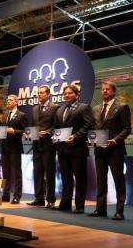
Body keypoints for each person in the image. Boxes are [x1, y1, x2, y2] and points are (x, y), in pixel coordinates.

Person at [89, 81, 131, 220]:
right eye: (102, 89)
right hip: (99, 150)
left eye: (107, 89)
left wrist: (115, 140)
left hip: (115, 150)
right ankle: (100, 209)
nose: (104, 91)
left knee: (118, 180)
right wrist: (90, 140)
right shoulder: (95, 108)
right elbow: (94, 129)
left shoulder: (122, 106)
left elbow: (127, 128)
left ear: (114, 91)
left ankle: (119, 211)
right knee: (100, 180)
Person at [53, 85, 94, 213]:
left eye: (70, 93)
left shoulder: (84, 107)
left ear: (77, 95)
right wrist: (55, 137)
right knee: (66, 178)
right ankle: (65, 204)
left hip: (78, 149)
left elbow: (89, 125)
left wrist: (75, 136)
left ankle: (80, 206)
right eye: (65, 93)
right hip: (62, 149)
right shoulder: (60, 110)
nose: (67, 95)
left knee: (80, 178)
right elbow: (56, 128)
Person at [27, 85, 59, 208]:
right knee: (38, 172)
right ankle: (38, 198)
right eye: (38, 93)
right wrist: (29, 133)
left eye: (41, 93)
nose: (38, 95)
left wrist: (48, 132)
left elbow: (56, 126)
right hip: (36, 145)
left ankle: (50, 199)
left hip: (48, 145)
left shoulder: (55, 107)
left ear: (48, 94)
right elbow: (33, 126)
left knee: (50, 173)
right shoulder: (35, 109)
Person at [1, 94, 28, 204]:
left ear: (16, 102)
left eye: (11, 100)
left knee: (17, 172)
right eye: (7, 100)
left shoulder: (22, 115)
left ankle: (17, 195)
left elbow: (27, 132)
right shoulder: (5, 115)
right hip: (4, 147)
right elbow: (3, 130)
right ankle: (5, 194)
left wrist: (15, 131)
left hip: (15, 147)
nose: (8, 102)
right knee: (5, 172)